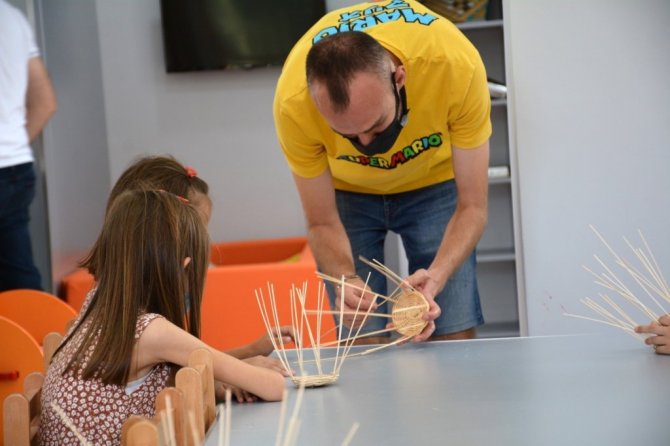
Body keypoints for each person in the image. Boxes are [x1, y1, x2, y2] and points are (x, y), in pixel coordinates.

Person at [273, 0, 491, 343]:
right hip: (348, 192)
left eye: (376, 126)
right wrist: (345, 278)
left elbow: (473, 207)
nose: (365, 143)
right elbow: (322, 223)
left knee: (451, 325)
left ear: (399, 78)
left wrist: (437, 276)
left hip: (433, 182)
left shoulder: (454, 65)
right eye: (347, 134)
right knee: (359, 330)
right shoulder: (293, 103)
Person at [39, 189, 285, 445]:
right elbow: (273, 387)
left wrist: (229, 376)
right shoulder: (151, 331)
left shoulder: (97, 304)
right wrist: (246, 373)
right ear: (185, 267)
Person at [87, 155, 294, 391]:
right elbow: (272, 386)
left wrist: (249, 353)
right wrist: (241, 372)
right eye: (194, 238)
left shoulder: (102, 305)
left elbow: (179, 369)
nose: (200, 255)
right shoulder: (150, 329)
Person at [0, 0, 57, 291]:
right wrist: (9, 145)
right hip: (14, 168)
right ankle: (31, 322)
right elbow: (45, 102)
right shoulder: (11, 18)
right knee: (18, 280)